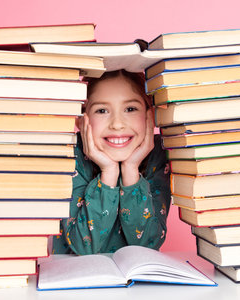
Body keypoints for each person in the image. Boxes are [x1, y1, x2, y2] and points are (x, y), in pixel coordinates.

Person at [52, 69, 171, 255]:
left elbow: (148, 246)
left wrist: (131, 169)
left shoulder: (158, 156)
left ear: (150, 116)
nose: (117, 124)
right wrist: (108, 172)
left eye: (130, 109)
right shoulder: (70, 156)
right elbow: (83, 247)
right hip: (78, 278)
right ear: (82, 121)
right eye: (102, 110)